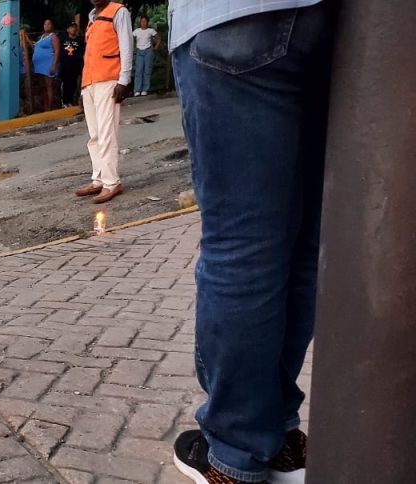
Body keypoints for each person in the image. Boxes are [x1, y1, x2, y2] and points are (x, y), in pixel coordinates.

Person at [169, 2, 333, 484]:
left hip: (231, 14)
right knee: (304, 238)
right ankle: (278, 435)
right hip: (335, 21)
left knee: (241, 244)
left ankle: (235, 454)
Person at [75, 0, 132, 204]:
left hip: (109, 80)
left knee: (107, 133)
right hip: (90, 81)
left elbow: (126, 46)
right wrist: (83, 88)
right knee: (95, 134)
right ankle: (98, 179)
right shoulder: (92, 18)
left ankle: (111, 182)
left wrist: (124, 80)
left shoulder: (119, 11)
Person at [33, 19, 62, 112]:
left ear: (52, 26)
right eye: (45, 24)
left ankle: (49, 107)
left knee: (48, 85)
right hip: (39, 66)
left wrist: (54, 64)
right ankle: (45, 107)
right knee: (42, 87)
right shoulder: (41, 37)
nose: (46, 25)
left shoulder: (53, 36)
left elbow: (57, 50)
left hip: (48, 64)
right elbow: (34, 46)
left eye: (49, 24)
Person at [132, 17, 159, 96]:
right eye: (142, 21)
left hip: (148, 51)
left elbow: (158, 38)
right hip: (139, 51)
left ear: (147, 22)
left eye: (145, 21)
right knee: (138, 70)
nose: (143, 23)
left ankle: (145, 89)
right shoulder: (137, 31)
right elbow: (131, 38)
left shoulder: (150, 30)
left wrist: (155, 47)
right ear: (140, 23)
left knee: (147, 70)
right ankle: (137, 90)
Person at [59, 23, 85, 107]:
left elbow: (83, 52)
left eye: (74, 27)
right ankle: (64, 101)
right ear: (68, 30)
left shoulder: (80, 40)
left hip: (75, 66)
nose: (73, 29)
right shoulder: (63, 39)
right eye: (71, 27)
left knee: (73, 84)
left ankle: (70, 101)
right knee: (65, 83)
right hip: (65, 65)